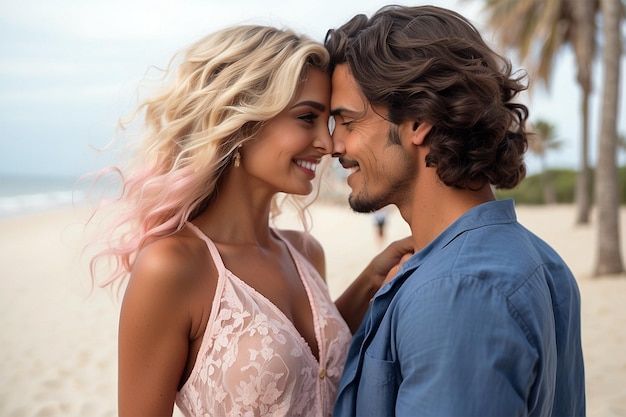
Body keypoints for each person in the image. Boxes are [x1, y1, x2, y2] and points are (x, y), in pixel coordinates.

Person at [85, 25, 411, 417]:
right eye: (307, 117)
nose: (327, 144)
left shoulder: (306, 253)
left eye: (327, 123)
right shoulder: (171, 266)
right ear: (241, 123)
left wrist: (374, 279)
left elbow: (311, 366)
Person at [325, 5, 585, 416]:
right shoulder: (541, 259)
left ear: (419, 121)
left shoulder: (456, 291)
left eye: (348, 122)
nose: (334, 146)